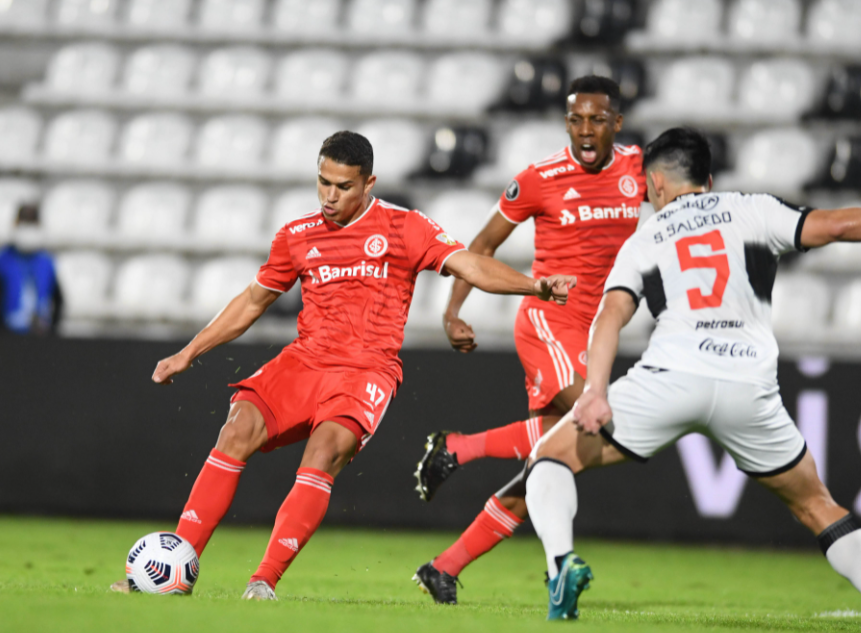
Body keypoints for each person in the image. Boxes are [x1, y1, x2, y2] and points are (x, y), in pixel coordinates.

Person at [109, 131, 575, 600]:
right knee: (236, 428)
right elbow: (251, 303)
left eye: (343, 186)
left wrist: (535, 287)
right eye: (323, 182)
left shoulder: (405, 227)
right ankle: (177, 564)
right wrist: (187, 353)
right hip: (305, 360)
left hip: (366, 371)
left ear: (368, 182)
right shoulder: (297, 235)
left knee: (323, 451)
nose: (330, 196)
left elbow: (470, 265)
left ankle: (263, 580)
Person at [522, 127, 861, 633]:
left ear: (657, 184)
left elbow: (610, 317)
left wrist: (597, 390)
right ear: (708, 181)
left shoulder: (645, 238)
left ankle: (561, 567)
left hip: (669, 379)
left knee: (549, 459)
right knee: (815, 503)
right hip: (747, 387)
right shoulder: (754, 209)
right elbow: (840, 225)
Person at [412, 76, 645, 603]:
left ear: (617, 124)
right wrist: (452, 311)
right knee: (596, 427)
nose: (585, 130)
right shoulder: (540, 179)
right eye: (576, 119)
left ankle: (444, 562)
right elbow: (483, 245)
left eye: (597, 119)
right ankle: (558, 565)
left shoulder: (638, 168)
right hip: (548, 322)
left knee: (552, 455)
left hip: (596, 332)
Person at [0, 203, 62, 335]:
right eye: (25, 223)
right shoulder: (0, 261)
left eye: (32, 223)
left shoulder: (46, 263)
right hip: (4, 337)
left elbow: (58, 302)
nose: (28, 230)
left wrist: (50, 330)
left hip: (38, 339)